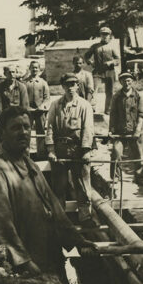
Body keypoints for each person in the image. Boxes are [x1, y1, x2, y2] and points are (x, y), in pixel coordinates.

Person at [0, 106, 92, 276]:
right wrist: (25, 264)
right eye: (15, 128)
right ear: (2, 133)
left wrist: (78, 241)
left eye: (26, 127)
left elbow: (54, 209)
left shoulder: (29, 164)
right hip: (24, 270)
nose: (23, 132)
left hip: (49, 259)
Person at [46, 73, 95, 218]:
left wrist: (86, 150)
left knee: (82, 185)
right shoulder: (55, 105)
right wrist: (51, 150)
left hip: (78, 150)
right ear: (63, 86)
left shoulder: (84, 105)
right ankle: (60, 218)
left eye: (73, 84)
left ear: (78, 86)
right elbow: (49, 128)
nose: (70, 88)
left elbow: (88, 129)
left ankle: (85, 216)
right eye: (67, 85)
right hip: (60, 151)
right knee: (59, 186)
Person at [109, 71, 143, 181]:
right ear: (120, 82)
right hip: (120, 132)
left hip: (135, 131)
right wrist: (111, 130)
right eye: (124, 81)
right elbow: (113, 115)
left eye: (129, 80)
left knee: (139, 155)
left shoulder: (137, 96)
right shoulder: (116, 97)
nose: (126, 83)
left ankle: (140, 177)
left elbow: (141, 114)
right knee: (116, 152)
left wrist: (138, 129)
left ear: (132, 82)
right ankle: (115, 177)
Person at [84, 26, 120, 114]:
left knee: (110, 91)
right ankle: (91, 108)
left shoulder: (112, 47)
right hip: (97, 71)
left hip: (109, 71)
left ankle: (108, 109)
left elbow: (118, 60)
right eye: (103, 34)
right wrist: (90, 62)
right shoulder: (95, 47)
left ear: (110, 35)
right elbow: (86, 56)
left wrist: (110, 62)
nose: (105, 36)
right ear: (100, 35)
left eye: (106, 34)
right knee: (92, 90)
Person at [23, 59, 50, 155]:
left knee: (41, 132)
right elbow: (22, 97)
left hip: (40, 112)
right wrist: (26, 108)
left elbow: (47, 98)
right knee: (26, 131)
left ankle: (41, 152)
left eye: (36, 68)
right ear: (29, 68)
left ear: (39, 69)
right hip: (28, 112)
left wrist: (42, 106)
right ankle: (26, 153)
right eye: (32, 67)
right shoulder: (25, 83)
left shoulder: (43, 83)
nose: (34, 69)